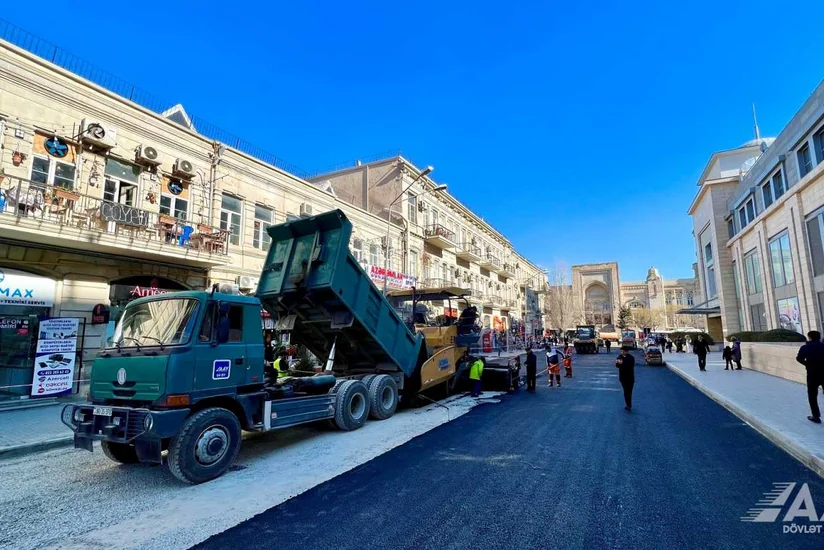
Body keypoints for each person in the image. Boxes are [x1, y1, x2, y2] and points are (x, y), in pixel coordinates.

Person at [795, 330, 824, 424]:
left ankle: (816, 416)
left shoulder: (806, 347)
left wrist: (808, 364)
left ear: (809, 337)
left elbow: (799, 358)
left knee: (812, 395)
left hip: (813, 373)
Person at [615, 346, 636, 411]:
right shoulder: (619, 357)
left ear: (627, 351)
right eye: (621, 351)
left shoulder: (631, 358)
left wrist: (622, 363)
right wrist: (619, 363)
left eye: (623, 351)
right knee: (626, 391)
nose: (622, 352)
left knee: (629, 392)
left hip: (630, 378)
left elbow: (630, 366)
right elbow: (617, 365)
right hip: (623, 378)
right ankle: (628, 405)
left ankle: (628, 404)